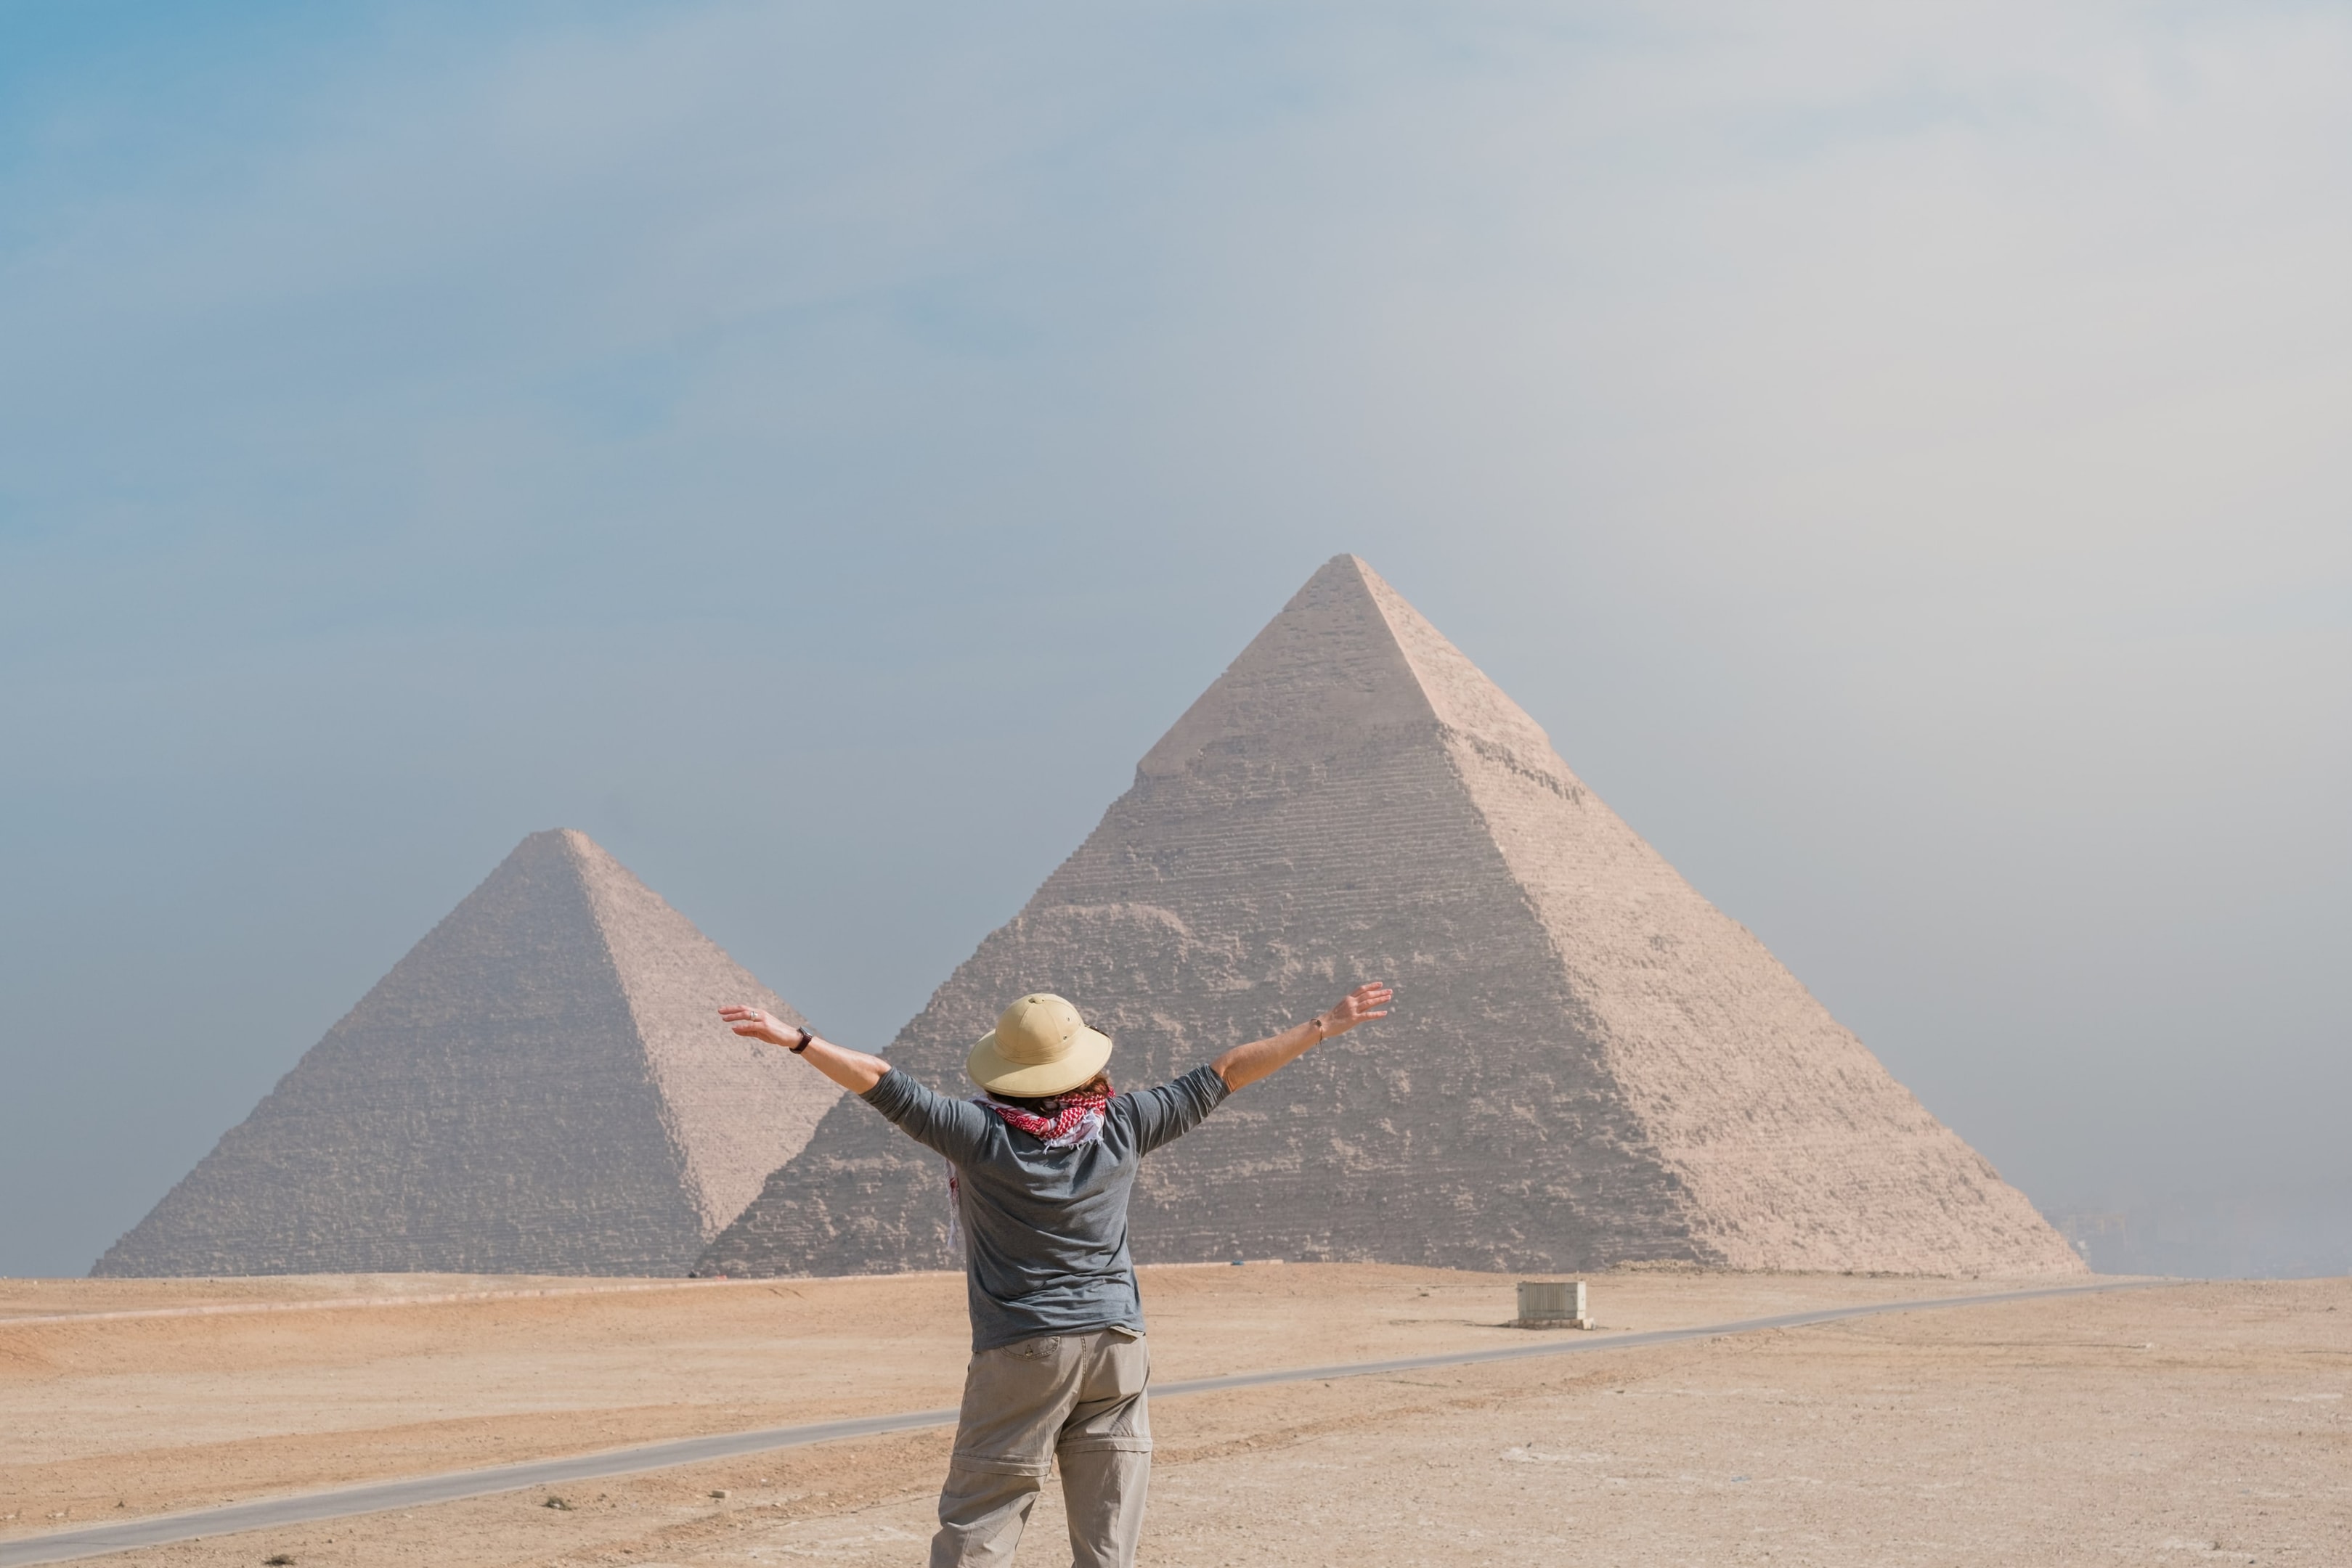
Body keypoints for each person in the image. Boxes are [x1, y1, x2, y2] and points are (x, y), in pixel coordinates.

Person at [718, 980, 1393, 1568]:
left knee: (983, 1514)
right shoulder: (1124, 1124)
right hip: (1117, 1346)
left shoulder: (977, 1134)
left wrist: (797, 1041)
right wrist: (1324, 1025)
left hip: (1024, 1346)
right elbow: (1226, 1072)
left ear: (1003, 1070)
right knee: (1107, 1540)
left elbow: (880, 1080)